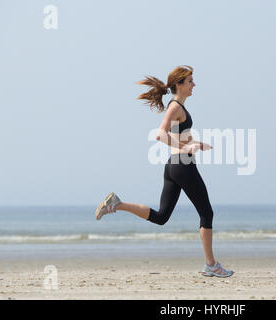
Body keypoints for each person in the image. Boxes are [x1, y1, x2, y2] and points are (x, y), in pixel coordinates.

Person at [94, 65, 234, 277]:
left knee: (161, 217)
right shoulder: (175, 107)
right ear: (179, 85)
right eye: (190, 81)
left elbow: (179, 136)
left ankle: (117, 204)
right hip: (182, 167)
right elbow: (160, 134)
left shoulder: (178, 106)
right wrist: (186, 148)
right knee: (207, 213)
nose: (194, 84)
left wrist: (197, 143)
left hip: (174, 167)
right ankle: (211, 264)